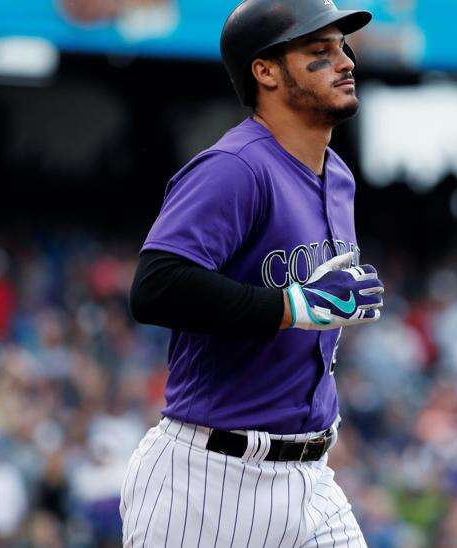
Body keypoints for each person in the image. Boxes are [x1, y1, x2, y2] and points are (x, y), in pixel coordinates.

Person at [120, 1, 383, 546]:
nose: (345, 62)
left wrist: (315, 304)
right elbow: (155, 286)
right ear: (265, 71)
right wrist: (292, 305)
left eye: (343, 48)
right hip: (208, 481)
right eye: (320, 51)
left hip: (310, 474)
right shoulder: (236, 167)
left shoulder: (337, 175)